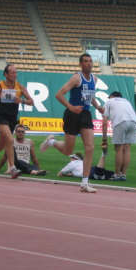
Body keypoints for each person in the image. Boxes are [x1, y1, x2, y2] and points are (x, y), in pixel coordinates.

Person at [40, 53, 104, 193]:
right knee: (68, 150)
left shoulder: (94, 78)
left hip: (86, 114)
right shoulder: (76, 78)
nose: (89, 63)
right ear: (81, 64)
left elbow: (90, 95)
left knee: (90, 147)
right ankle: (52, 142)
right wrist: (71, 107)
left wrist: (98, 106)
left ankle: (84, 183)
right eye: (86, 61)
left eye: (90, 61)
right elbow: (59, 94)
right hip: (72, 114)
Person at [0, 64, 34, 179]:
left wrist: (21, 100)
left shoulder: (20, 87)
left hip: (12, 119)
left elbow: (31, 101)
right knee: (10, 140)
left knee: (1, 145)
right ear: (6, 74)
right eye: (12, 72)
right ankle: (12, 168)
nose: (15, 75)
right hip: (0, 118)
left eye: (16, 72)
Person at [101, 91, 136, 181]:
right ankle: (123, 174)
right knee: (127, 148)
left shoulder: (109, 102)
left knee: (119, 149)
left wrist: (104, 138)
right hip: (134, 122)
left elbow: (104, 122)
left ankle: (117, 174)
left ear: (112, 96)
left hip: (120, 122)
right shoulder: (126, 101)